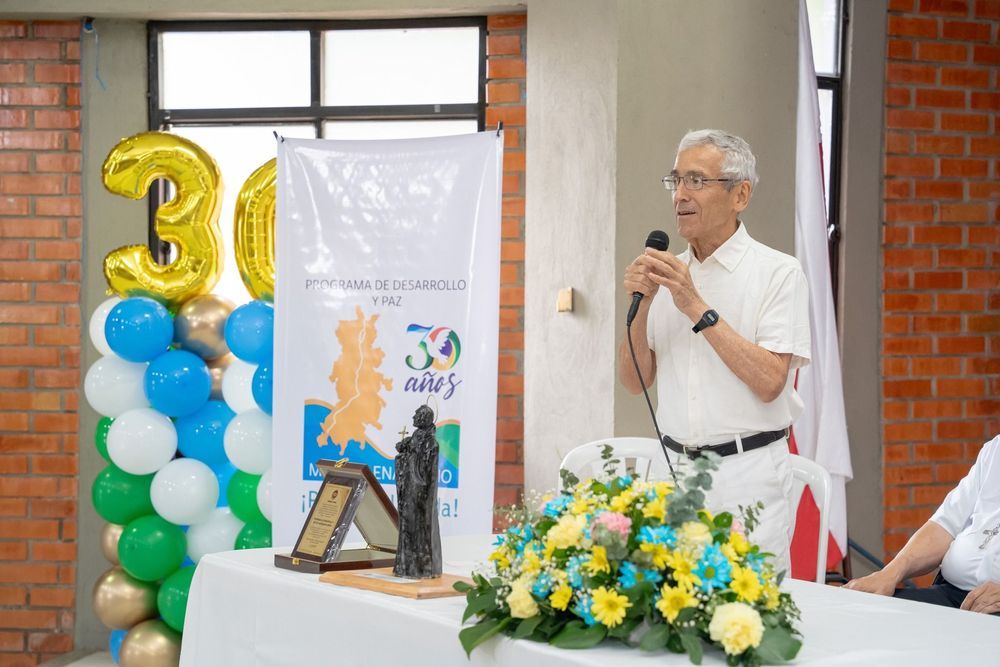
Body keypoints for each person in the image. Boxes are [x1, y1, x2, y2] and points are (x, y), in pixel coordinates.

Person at [618, 129, 811, 573]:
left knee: (745, 623)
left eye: (697, 181)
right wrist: (643, 304)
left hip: (748, 476)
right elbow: (634, 382)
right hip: (674, 472)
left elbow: (770, 383)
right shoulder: (668, 273)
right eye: (676, 181)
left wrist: (694, 305)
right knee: (670, 615)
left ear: (740, 194)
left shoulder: (778, 273)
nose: (681, 195)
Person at [844, 434, 1000, 615]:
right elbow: (945, 525)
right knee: (858, 611)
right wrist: (889, 574)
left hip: (993, 612)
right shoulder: (995, 450)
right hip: (950, 595)